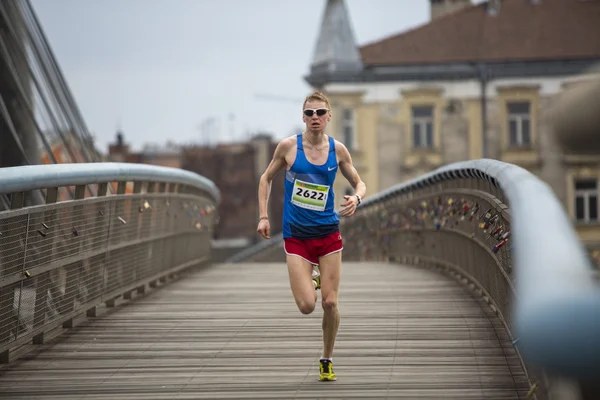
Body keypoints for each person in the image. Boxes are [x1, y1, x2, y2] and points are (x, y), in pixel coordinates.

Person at [256, 90, 366, 382]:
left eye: (319, 113)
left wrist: (357, 198)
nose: (314, 118)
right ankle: (311, 276)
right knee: (307, 306)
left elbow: (359, 182)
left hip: (328, 233)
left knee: (330, 303)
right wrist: (264, 216)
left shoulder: (338, 150)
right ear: (302, 117)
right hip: (296, 237)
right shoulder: (289, 148)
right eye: (309, 113)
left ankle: (326, 359)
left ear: (329, 116)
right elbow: (266, 178)